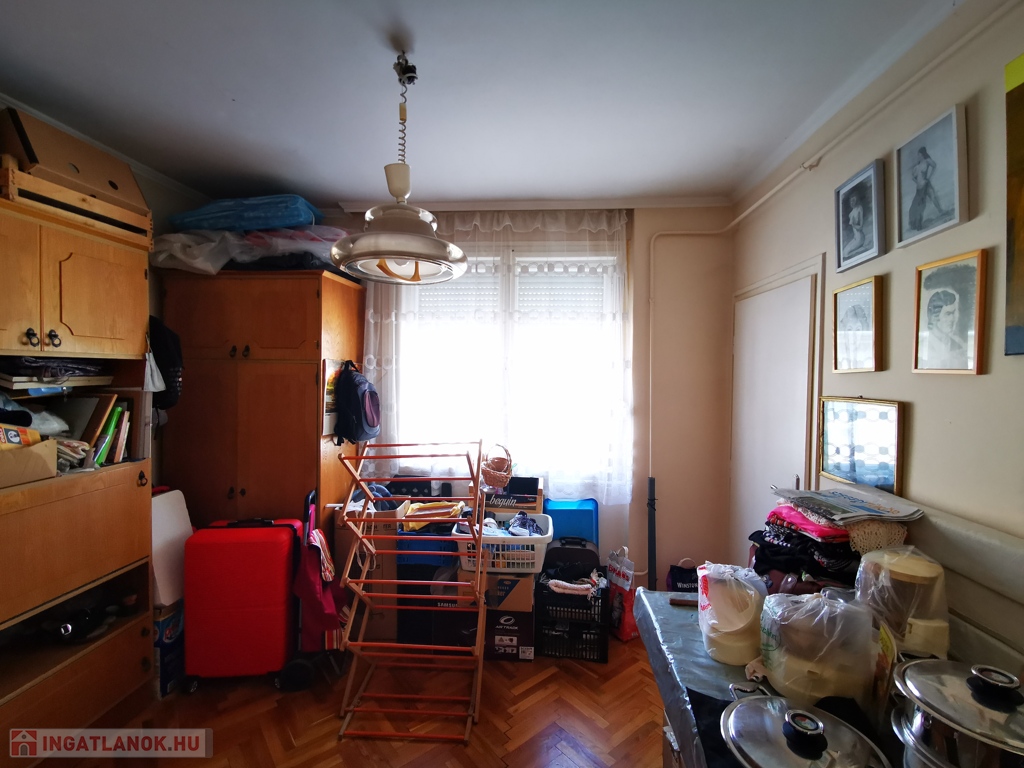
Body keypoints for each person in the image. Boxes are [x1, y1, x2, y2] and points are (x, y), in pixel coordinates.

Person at [923, 289, 968, 369]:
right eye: (948, 314)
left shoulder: (959, 345)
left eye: (953, 313)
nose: (952, 319)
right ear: (934, 317)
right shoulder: (923, 347)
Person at [909, 146, 946, 231]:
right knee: (918, 205)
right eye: (918, 155)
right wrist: (917, 182)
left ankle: (941, 211)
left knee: (933, 196)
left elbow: (934, 165)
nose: (918, 156)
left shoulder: (927, 161)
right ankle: (916, 224)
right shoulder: (917, 167)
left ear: (922, 154)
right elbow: (913, 177)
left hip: (926, 184)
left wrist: (929, 177)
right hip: (919, 188)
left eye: (919, 154)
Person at [838, 303, 871, 369]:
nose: (853, 336)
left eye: (858, 330)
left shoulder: (869, 361)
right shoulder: (839, 361)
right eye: (849, 330)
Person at [843, 192, 866, 258]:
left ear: (856, 201)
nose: (852, 203)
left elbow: (860, 227)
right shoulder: (850, 214)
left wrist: (853, 224)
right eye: (851, 201)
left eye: (854, 201)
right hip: (855, 238)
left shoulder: (859, 208)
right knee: (844, 252)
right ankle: (860, 249)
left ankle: (861, 249)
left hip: (860, 237)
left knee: (846, 253)